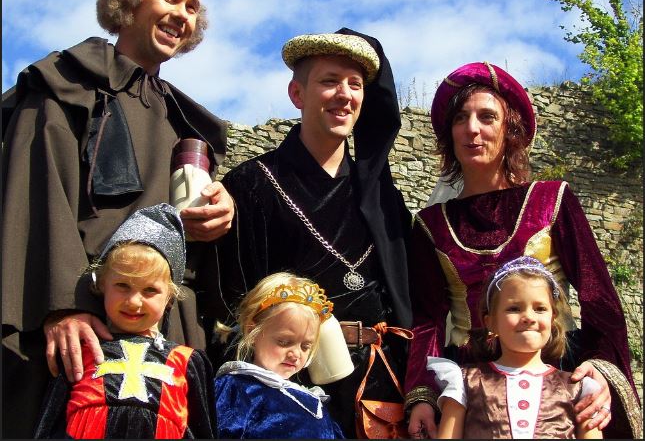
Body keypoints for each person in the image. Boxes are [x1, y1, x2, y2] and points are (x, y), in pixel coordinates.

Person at [1, 0, 233, 437]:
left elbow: (183, 237)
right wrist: (63, 306)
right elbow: (33, 193)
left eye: (192, 7)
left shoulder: (183, 122)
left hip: (166, 333)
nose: (183, 15)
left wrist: (217, 212)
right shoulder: (64, 84)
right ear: (127, 2)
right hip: (80, 329)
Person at [404, 62, 641, 439]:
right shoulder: (431, 224)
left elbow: (598, 296)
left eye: (487, 117)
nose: (472, 129)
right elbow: (427, 319)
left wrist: (599, 364)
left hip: (555, 370)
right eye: (461, 118)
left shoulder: (552, 200)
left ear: (510, 130)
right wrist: (422, 393)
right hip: (469, 383)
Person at [214, 29, 412, 437]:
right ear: (297, 94)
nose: (345, 95)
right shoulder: (252, 184)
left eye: (355, 85)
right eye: (329, 81)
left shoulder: (382, 196)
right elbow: (229, 301)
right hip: (287, 389)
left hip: (380, 387)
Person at [33, 204, 215, 439]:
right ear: (102, 285)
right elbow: (49, 423)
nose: (133, 302)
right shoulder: (81, 351)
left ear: (169, 297)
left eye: (150, 290)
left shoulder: (185, 360)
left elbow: (202, 430)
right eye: (122, 285)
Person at [429, 256, 602, 439]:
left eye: (540, 308)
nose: (529, 317)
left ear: (552, 319)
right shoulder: (464, 382)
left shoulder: (579, 389)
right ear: (491, 322)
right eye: (514, 309)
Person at [215, 272, 344, 439]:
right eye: (284, 342)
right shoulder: (238, 390)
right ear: (252, 332)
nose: (295, 354)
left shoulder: (313, 401)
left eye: (305, 346)